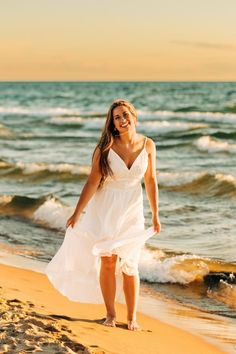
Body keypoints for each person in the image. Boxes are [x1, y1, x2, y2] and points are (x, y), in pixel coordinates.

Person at [45, 99, 161, 331]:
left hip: (132, 208)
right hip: (106, 207)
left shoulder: (148, 145)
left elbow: (150, 180)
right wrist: (78, 212)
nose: (122, 120)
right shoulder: (105, 147)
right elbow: (92, 180)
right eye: (117, 117)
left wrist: (156, 214)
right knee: (108, 261)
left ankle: (132, 318)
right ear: (113, 124)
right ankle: (110, 314)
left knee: (129, 263)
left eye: (125, 115)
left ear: (134, 116)